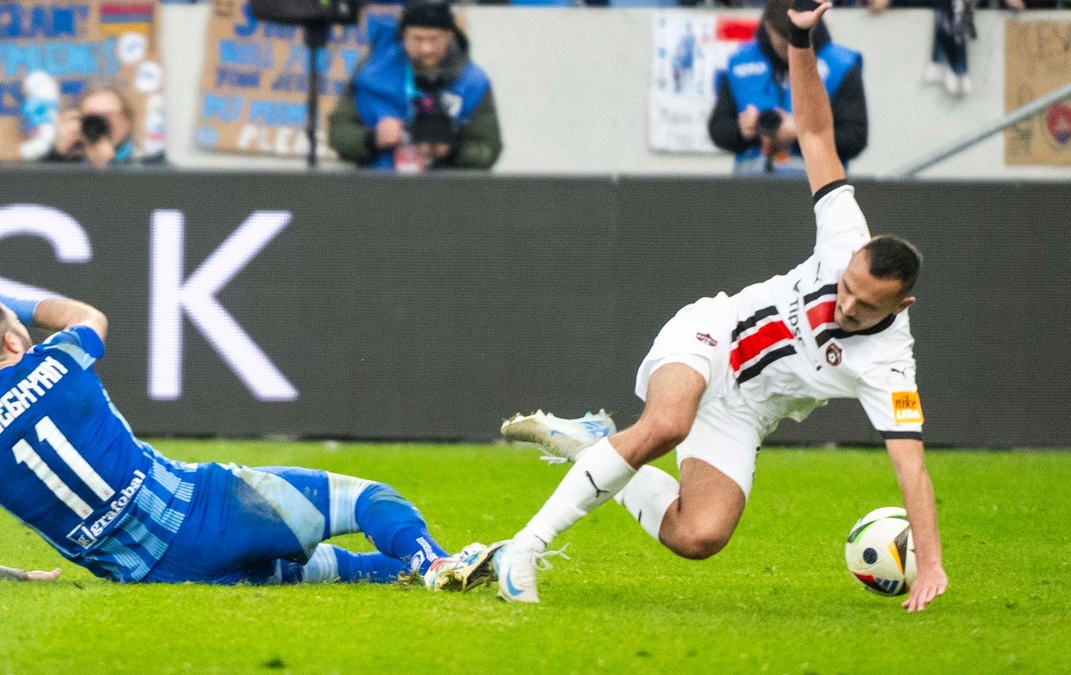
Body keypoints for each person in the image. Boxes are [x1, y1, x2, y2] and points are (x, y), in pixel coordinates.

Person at [494, 0, 947, 613]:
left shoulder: (891, 363)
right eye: (845, 288)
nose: (844, 307)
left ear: (902, 304)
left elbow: (910, 468)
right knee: (666, 425)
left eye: (866, 308)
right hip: (711, 336)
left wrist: (933, 563)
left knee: (699, 535)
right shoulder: (846, 232)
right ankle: (524, 547)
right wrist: (800, 39)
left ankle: (590, 444)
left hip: (744, 414)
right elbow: (815, 132)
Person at [0, 284, 499, 590]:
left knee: (338, 571)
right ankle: (436, 564)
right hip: (207, 512)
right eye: (19, 329)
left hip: (161, 578)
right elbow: (87, 313)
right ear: (11, 343)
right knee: (369, 500)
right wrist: (8, 299)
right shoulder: (60, 359)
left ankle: (428, 571)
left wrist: (20, 577)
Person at [327, 0, 502, 171]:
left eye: (435, 40)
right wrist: (373, 138)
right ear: (403, 35)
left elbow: (489, 151)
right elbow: (338, 133)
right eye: (417, 39)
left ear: (450, 36)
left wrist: (451, 150)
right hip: (378, 189)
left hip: (445, 194)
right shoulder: (370, 73)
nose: (426, 48)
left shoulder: (473, 83)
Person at [708, 0, 866, 177]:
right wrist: (743, 129)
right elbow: (718, 129)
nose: (793, 51)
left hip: (819, 186)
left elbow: (855, 138)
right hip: (751, 189)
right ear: (768, 27)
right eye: (785, 45)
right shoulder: (739, 62)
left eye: (800, 39)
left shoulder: (841, 65)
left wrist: (803, 131)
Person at [44, 83, 165, 168]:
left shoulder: (150, 163)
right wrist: (58, 155)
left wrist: (110, 166)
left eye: (107, 115)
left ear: (128, 121)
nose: (100, 123)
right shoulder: (70, 164)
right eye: (91, 117)